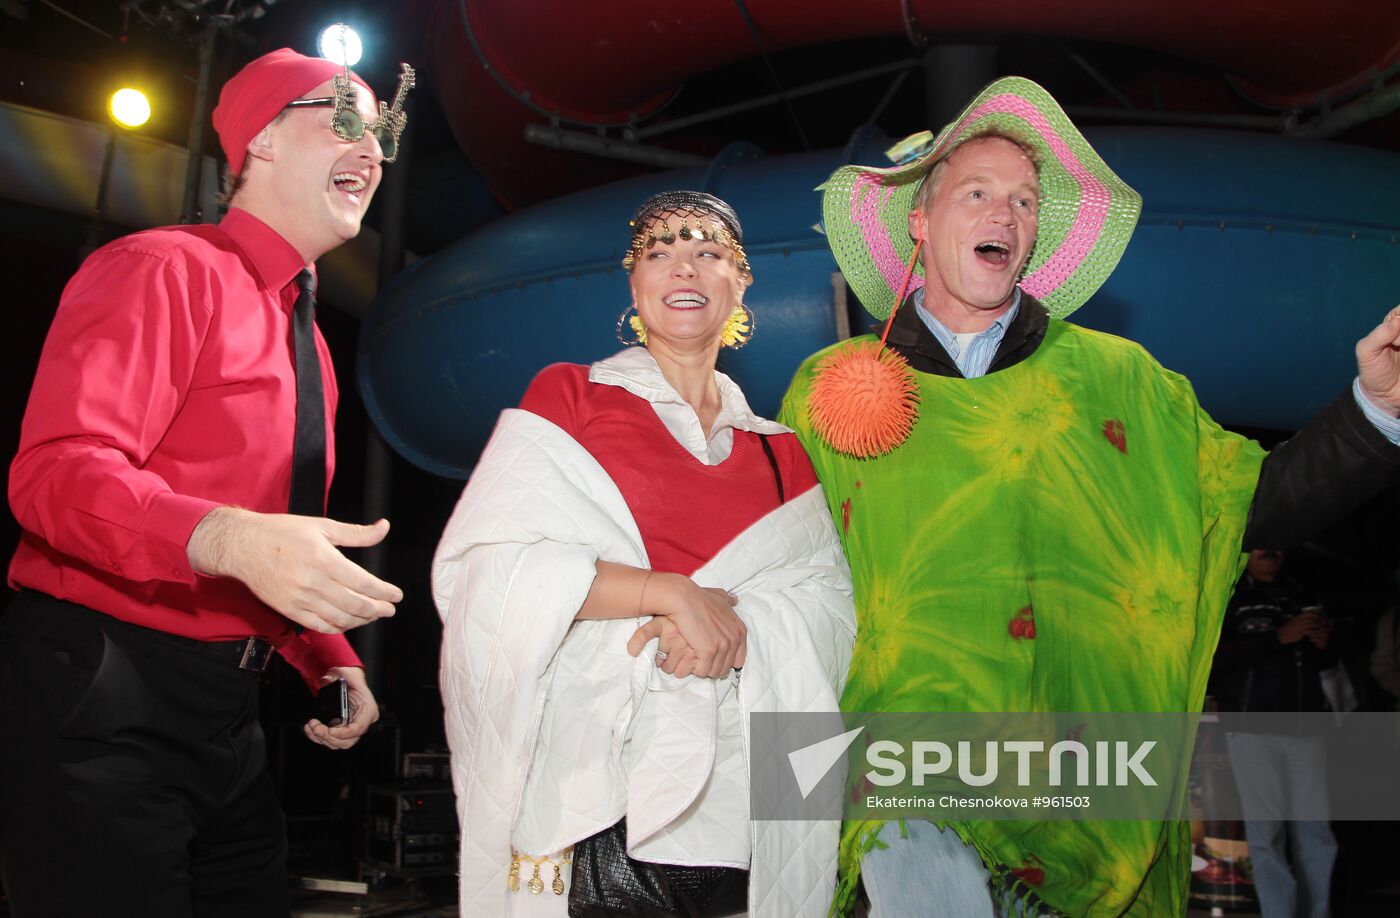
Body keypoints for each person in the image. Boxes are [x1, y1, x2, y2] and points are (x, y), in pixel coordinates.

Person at [779, 77, 1400, 916]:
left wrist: (1374, 415)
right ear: (921, 224)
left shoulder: (1120, 382)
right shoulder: (831, 389)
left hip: (1084, 776)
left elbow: (1252, 504)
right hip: (905, 763)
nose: (1006, 215)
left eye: (1025, 201)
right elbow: (777, 575)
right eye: (978, 193)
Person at [0, 48, 408, 917]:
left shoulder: (314, 346)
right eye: (343, 122)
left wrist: (323, 655)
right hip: (105, 693)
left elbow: (272, 538)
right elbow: (54, 474)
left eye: (381, 134)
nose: (370, 151)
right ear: (259, 140)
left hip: (229, 715)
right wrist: (221, 535)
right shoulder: (164, 268)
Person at [433, 191, 856, 917]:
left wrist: (738, 622)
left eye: (707, 253)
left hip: (740, 799)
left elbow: (831, 611)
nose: (681, 268)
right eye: (658, 253)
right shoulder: (572, 396)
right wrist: (670, 595)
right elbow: (488, 570)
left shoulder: (782, 451)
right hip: (597, 788)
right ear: (634, 285)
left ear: (741, 281)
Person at [1209, 549, 1339, 918]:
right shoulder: (1229, 597)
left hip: (1307, 728)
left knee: (1315, 830)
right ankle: (1278, 912)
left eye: (1279, 545)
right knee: (1266, 834)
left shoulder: (1303, 593)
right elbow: (1215, 660)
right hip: (1251, 730)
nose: (1271, 553)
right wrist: (1277, 638)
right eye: (1262, 545)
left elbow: (1330, 666)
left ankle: (1319, 909)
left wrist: (1324, 645)